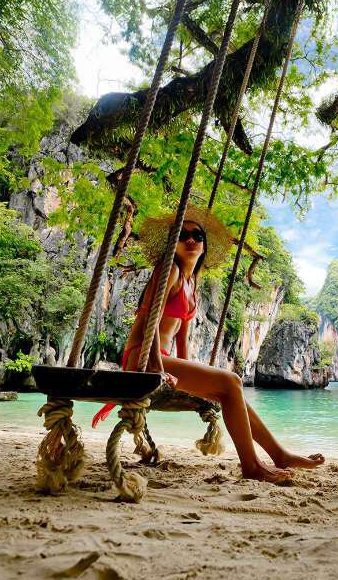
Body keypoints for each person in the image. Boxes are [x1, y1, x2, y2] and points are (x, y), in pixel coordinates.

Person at [92, 205, 324, 483]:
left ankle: (279, 454)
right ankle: (251, 465)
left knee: (230, 390)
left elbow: (181, 337)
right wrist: (155, 367)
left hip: (165, 359)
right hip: (142, 358)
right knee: (231, 381)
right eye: (183, 235)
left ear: (204, 246)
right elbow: (148, 322)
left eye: (197, 236)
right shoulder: (169, 273)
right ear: (173, 243)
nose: (191, 239)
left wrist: (191, 377)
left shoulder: (191, 283)